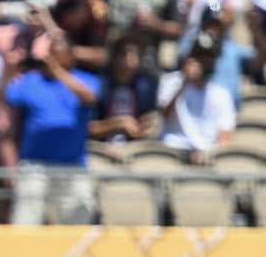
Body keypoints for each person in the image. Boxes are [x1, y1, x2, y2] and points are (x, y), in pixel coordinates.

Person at [1, 36, 100, 225]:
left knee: (79, 221)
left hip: (73, 165)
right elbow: (4, 98)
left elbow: (89, 98)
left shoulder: (86, 80)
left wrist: (59, 72)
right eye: (50, 55)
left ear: (70, 57)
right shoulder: (31, 81)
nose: (51, 60)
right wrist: (7, 70)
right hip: (35, 165)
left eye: (58, 55)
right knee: (25, 222)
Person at [157, 31, 235, 162]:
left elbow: (225, 136)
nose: (204, 60)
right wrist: (184, 82)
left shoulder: (222, 94)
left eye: (209, 55)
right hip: (173, 149)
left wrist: (208, 156)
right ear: (190, 57)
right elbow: (163, 115)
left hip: (205, 155)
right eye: (199, 55)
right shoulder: (172, 81)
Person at [88, 35, 160, 144]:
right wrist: (118, 125)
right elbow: (88, 128)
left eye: (137, 54)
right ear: (115, 56)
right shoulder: (98, 84)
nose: (131, 58)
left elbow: (149, 123)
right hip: (100, 145)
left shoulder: (147, 87)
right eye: (125, 53)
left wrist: (144, 127)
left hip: (134, 146)